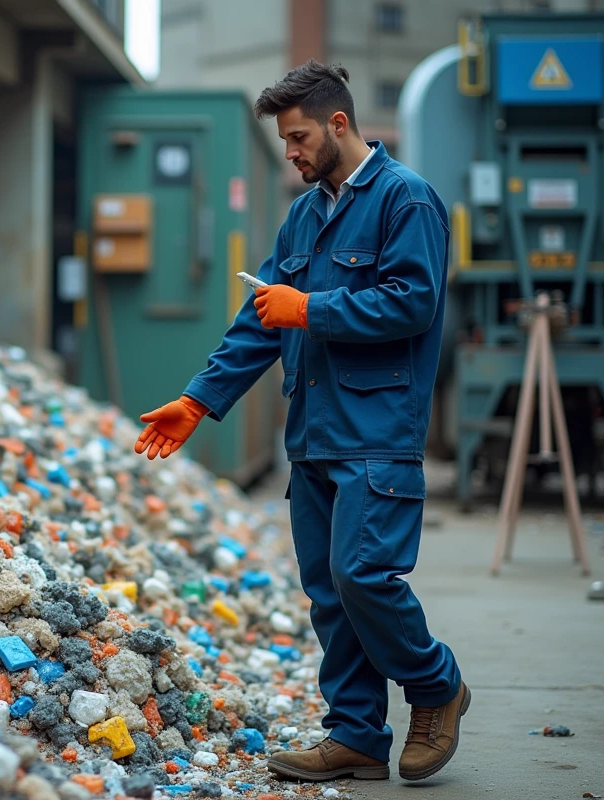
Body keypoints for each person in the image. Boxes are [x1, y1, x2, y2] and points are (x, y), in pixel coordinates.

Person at [134, 60, 468, 783]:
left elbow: (413, 302)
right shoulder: (305, 214)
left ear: (338, 124)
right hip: (313, 434)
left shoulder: (407, 202)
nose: (291, 152)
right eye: (286, 141)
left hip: (377, 432)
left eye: (298, 137)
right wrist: (197, 400)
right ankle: (354, 735)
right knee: (328, 595)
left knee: (363, 576)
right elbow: (260, 321)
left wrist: (311, 308)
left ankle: (437, 684)